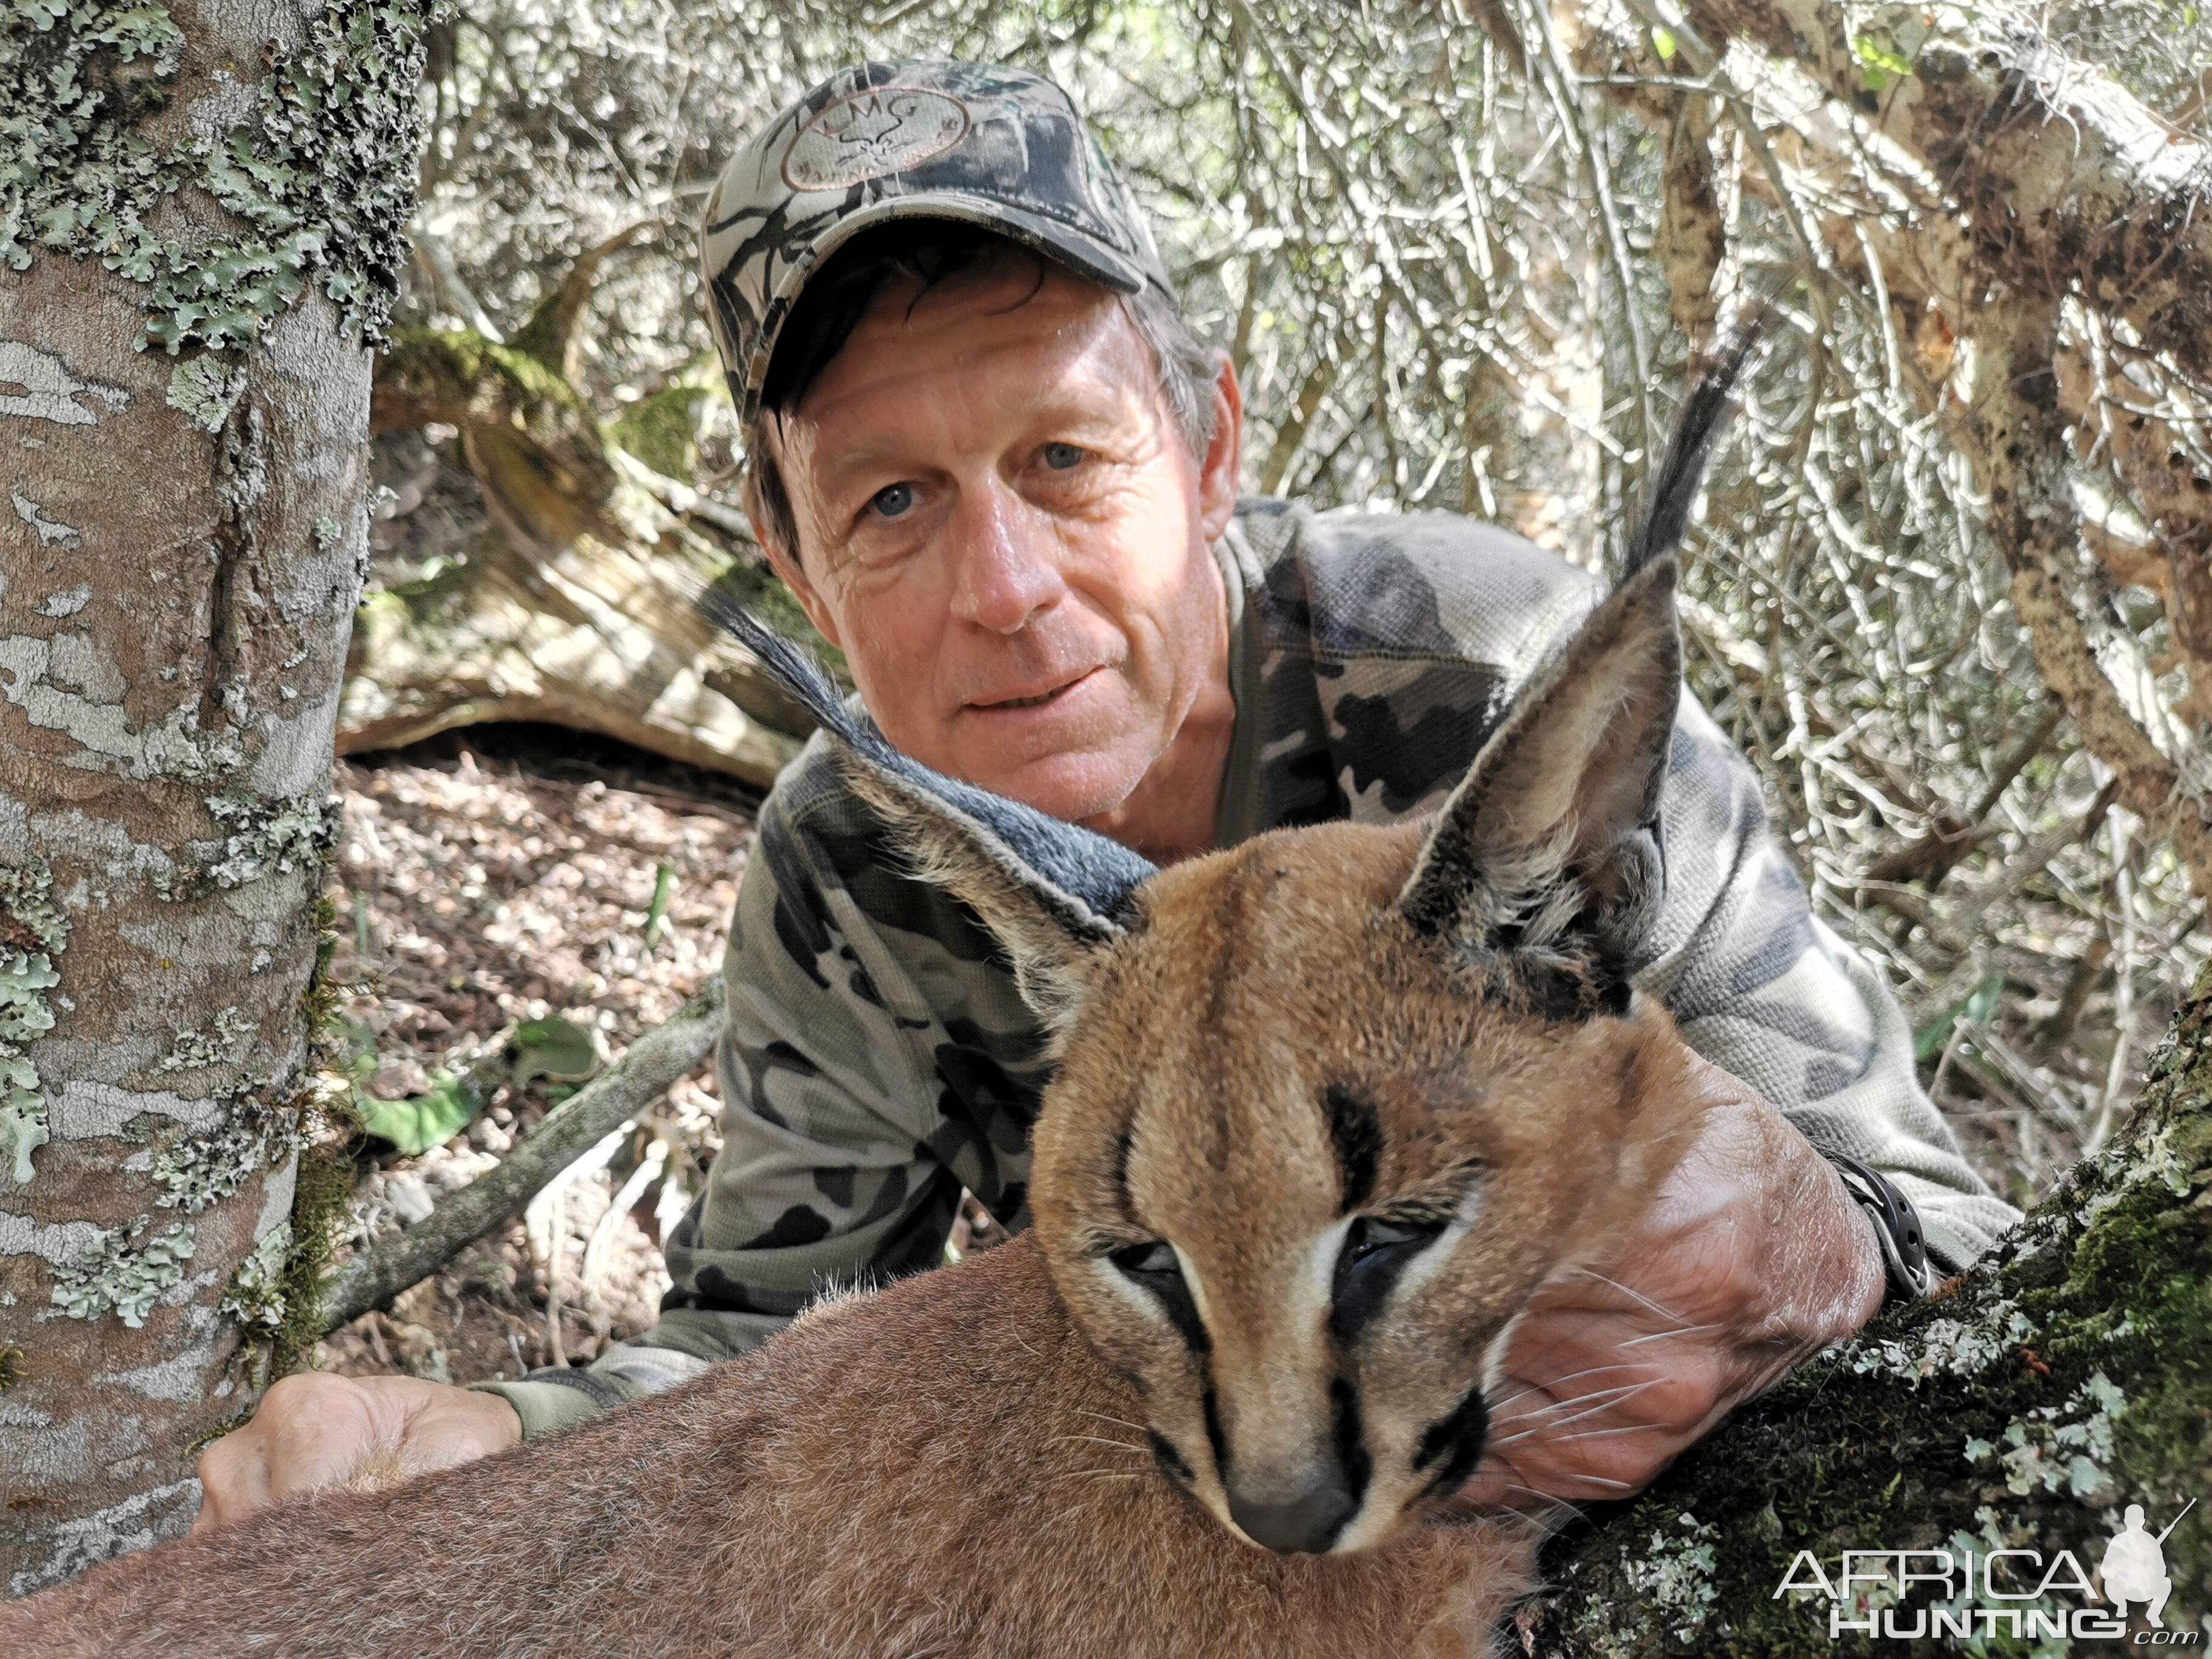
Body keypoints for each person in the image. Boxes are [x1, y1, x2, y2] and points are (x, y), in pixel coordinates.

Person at [195, 59, 2020, 1532]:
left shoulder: (1489, 683)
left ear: (1213, 440)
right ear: (789, 550)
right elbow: (757, 1352)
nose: (1003, 591)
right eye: (891, 501)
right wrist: (487, 1426)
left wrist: (1781, 1238)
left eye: (1064, 457)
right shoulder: (853, 868)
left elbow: (1949, 1251)